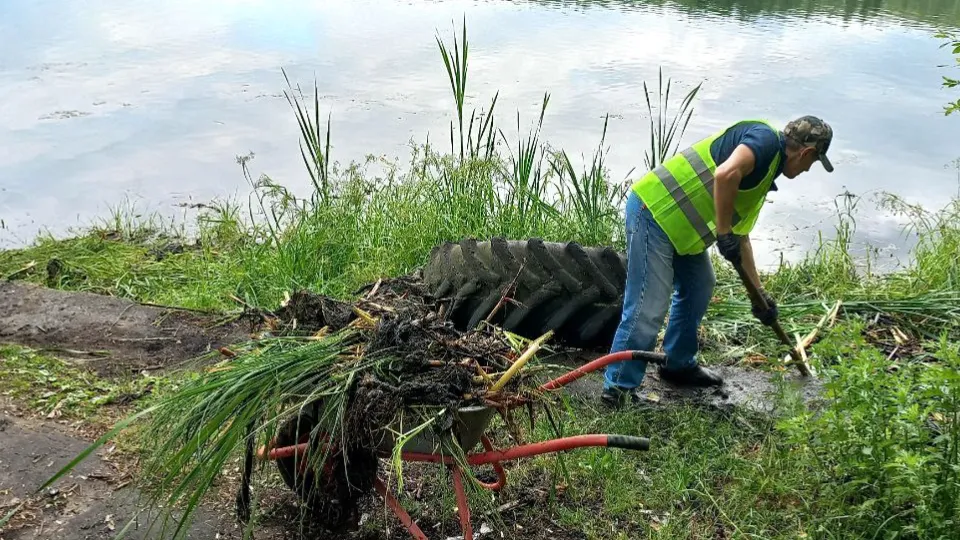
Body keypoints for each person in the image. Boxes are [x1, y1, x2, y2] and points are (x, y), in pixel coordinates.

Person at [601, 116, 834, 407]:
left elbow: (742, 238)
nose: (807, 170)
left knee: (700, 285)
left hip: (679, 228)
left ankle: (678, 363)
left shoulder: (767, 171)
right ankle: (618, 389)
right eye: (812, 163)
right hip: (654, 212)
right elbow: (726, 174)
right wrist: (723, 233)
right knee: (649, 306)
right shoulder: (764, 141)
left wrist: (759, 296)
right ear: (806, 152)